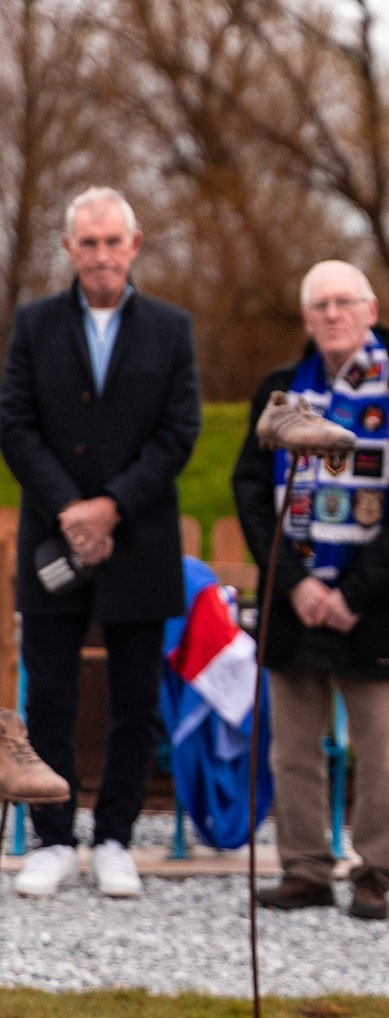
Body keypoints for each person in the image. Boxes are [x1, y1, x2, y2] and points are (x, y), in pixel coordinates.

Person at [0, 186, 201, 899]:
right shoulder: (33, 325)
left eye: (113, 241)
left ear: (134, 246)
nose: (101, 255)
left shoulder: (172, 331)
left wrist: (113, 508)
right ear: (69, 250)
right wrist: (71, 511)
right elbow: (14, 423)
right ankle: (55, 838)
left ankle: (115, 836)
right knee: (50, 695)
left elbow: (180, 433)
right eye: (88, 242)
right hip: (53, 544)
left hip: (139, 540)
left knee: (134, 699)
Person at [232, 260, 389, 920]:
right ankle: (304, 869)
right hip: (293, 599)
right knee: (292, 747)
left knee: (381, 751)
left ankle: (374, 872)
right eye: (319, 304)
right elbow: (249, 489)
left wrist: (351, 593)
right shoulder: (278, 392)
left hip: (373, 603)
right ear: (305, 319)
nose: (331, 314)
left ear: (370, 310)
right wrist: (293, 584)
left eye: (344, 302)